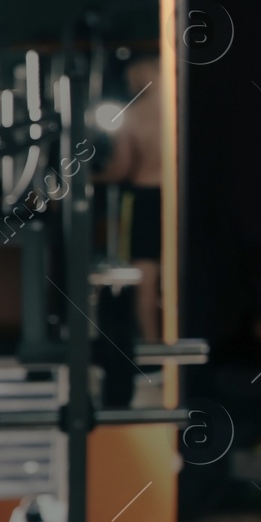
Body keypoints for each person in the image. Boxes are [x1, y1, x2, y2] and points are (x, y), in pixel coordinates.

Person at [93, 54, 162, 343]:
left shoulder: (133, 115)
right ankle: (167, 352)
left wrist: (89, 178)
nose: (131, 83)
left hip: (146, 198)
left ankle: (154, 348)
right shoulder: (181, 110)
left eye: (133, 77)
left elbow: (121, 168)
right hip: (177, 201)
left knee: (145, 279)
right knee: (173, 275)